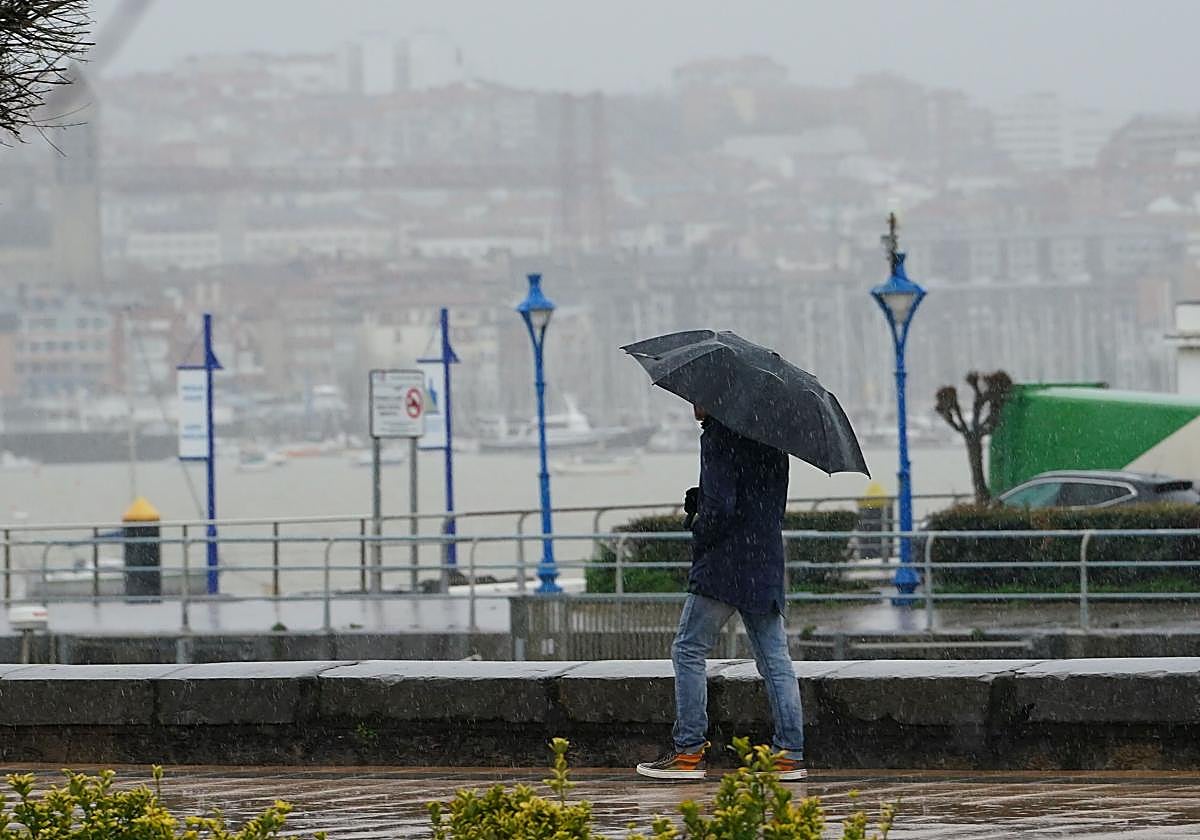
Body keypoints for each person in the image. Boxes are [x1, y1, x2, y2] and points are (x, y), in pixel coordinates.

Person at [636, 404, 806, 781]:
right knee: (774, 659)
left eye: (696, 395)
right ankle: (789, 753)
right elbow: (764, 502)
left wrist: (701, 527)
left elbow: (722, 507)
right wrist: (706, 497)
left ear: (718, 394)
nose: (691, 403)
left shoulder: (718, 435)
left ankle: (688, 750)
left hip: (725, 564)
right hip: (764, 560)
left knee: (688, 649)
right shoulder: (772, 437)